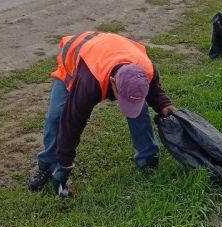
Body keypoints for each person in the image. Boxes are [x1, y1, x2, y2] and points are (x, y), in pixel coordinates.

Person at [29, 31, 175, 197]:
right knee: (57, 116)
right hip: (77, 59)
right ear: (113, 82)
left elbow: (154, 90)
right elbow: (72, 124)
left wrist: (165, 105)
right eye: (122, 98)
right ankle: (48, 166)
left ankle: (148, 159)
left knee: (138, 110)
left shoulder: (145, 69)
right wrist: (64, 166)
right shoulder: (89, 82)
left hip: (112, 48)